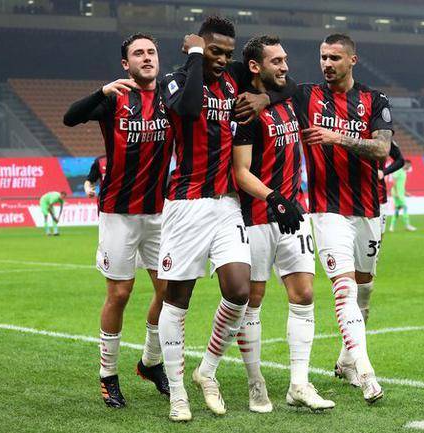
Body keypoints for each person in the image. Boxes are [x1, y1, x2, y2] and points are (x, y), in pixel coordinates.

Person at [157, 16, 298, 422]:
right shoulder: (175, 80)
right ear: (199, 48)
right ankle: (178, 394)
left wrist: (265, 100)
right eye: (214, 52)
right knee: (178, 299)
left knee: (238, 291)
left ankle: (207, 370)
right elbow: (188, 109)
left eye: (227, 54)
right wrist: (195, 56)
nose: (222, 60)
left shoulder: (233, 78)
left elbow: (288, 84)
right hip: (186, 206)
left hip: (226, 205)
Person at [63, 33, 174, 408]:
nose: (147, 57)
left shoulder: (171, 96)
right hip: (118, 214)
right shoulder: (114, 99)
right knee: (120, 294)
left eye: (151, 52)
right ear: (126, 64)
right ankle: (108, 375)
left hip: (159, 212)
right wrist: (101, 91)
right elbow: (70, 117)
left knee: (169, 291)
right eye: (138, 53)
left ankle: (150, 363)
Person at [232, 35, 335, 413]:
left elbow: (292, 85)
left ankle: (299, 384)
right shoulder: (244, 109)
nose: (285, 66)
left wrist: (287, 203)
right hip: (259, 215)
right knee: (253, 300)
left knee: (304, 294)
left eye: (285, 59)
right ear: (255, 66)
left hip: (294, 213)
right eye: (276, 61)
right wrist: (273, 197)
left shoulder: (291, 98)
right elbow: (240, 171)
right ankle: (255, 383)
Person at [292, 33, 392, 403]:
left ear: (352, 60)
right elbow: (268, 85)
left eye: (335, 58)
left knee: (364, 290)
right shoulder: (305, 95)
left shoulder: (375, 100)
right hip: (326, 209)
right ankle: (366, 373)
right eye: (323, 57)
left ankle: (346, 362)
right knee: (345, 288)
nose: (327, 64)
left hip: (367, 209)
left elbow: (382, 149)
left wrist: (337, 138)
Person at [378, 141, 405, 234]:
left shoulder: (384, 138)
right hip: (351, 195)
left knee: (378, 234)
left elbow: (400, 160)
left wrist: (383, 172)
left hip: (378, 195)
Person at [388, 159, 416, 232]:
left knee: (397, 209)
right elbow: (394, 182)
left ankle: (391, 226)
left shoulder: (404, 172)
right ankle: (407, 225)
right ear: (405, 164)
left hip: (400, 193)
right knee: (405, 207)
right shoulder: (398, 171)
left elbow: (401, 185)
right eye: (409, 165)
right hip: (397, 193)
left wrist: (405, 192)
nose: (409, 167)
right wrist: (396, 193)